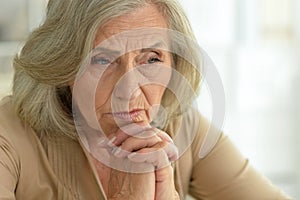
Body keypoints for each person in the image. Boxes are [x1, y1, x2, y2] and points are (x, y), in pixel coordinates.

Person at [0, 0, 291, 199]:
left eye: (151, 59)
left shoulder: (182, 125)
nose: (128, 90)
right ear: (64, 67)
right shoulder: (8, 136)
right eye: (102, 60)